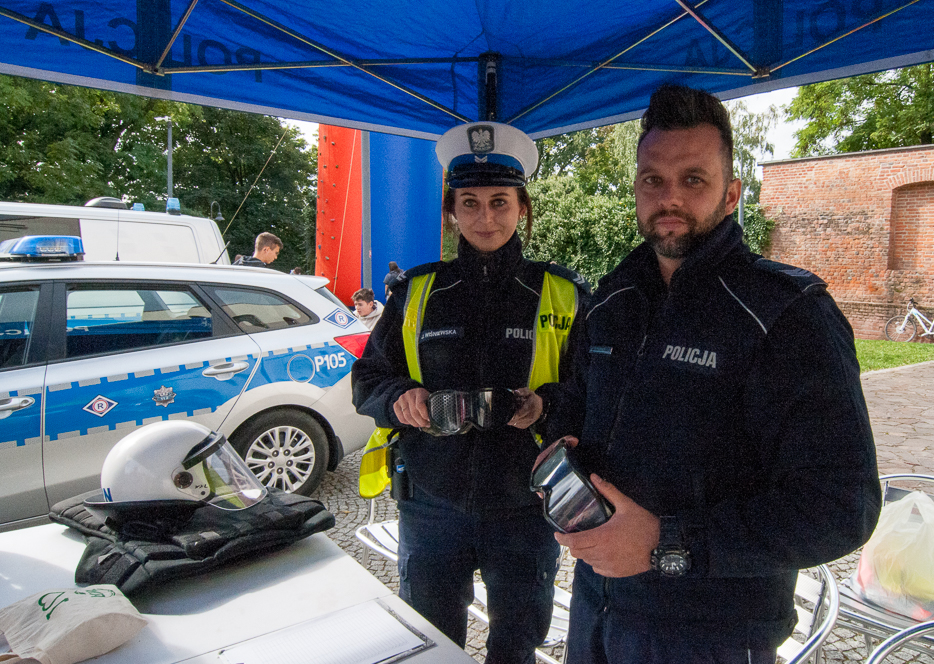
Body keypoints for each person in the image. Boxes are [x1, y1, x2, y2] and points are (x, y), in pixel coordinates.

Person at [544, 85, 881, 664]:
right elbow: (570, 412)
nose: (669, 197)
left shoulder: (788, 314)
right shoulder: (611, 302)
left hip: (713, 639)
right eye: (653, 179)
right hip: (594, 617)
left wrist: (665, 545)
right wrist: (557, 458)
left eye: (693, 179)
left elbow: (841, 505)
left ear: (730, 195)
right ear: (635, 190)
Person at [352, 121, 589, 664]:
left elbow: (594, 390)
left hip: (526, 503)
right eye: (471, 203)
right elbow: (366, 380)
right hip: (432, 503)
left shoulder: (564, 292)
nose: (486, 218)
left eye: (500, 202)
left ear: (523, 208)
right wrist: (400, 399)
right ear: (451, 210)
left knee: (516, 643)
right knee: (432, 642)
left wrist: (544, 406)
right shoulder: (415, 291)